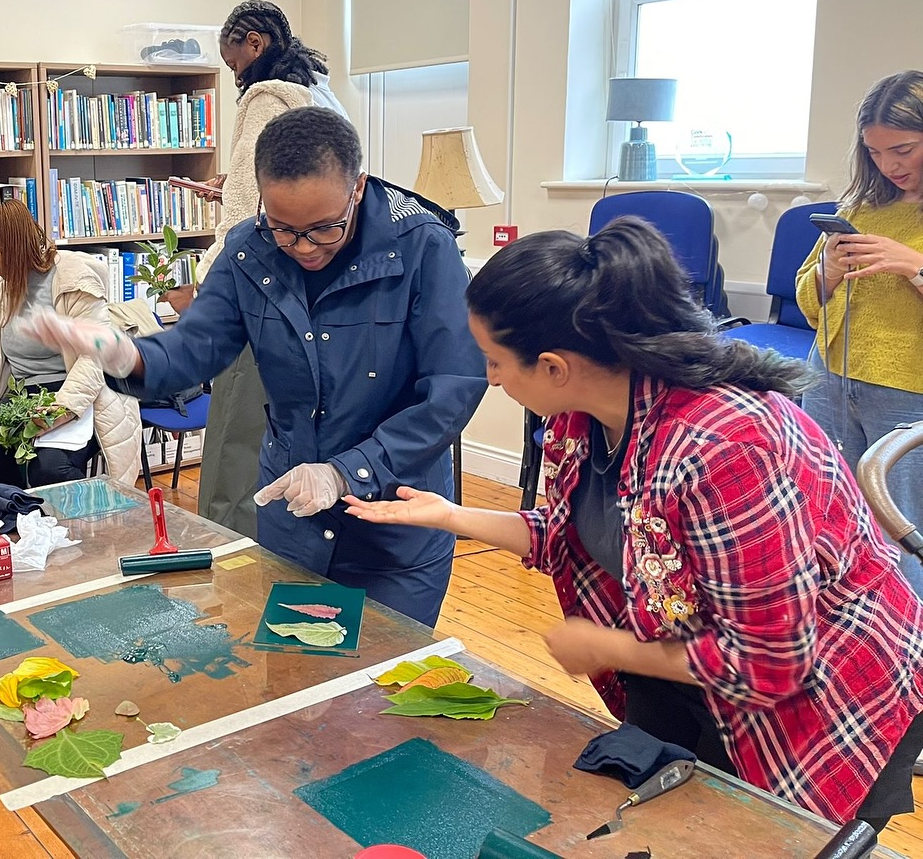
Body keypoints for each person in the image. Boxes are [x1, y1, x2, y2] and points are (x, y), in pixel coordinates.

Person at [344, 216, 923, 829]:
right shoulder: (583, 411)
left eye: (492, 360)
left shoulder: (726, 447)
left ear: (553, 366)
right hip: (688, 666)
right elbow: (572, 533)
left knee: (748, 837)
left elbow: (769, 662)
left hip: (823, 701)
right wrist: (451, 516)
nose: (489, 378)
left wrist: (609, 647)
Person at [24, 106, 486, 627]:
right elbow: (198, 346)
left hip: (396, 516)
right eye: (284, 228)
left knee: (380, 690)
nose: (303, 248)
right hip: (293, 512)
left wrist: (348, 471)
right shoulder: (250, 248)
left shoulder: (424, 245)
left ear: (357, 187)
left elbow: (453, 387)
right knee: (296, 674)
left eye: (323, 229)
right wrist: (129, 356)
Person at [162, 0, 348, 538]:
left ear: (255, 43)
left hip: (259, 288)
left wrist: (207, 289)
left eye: (232, 58)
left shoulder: (267, 100)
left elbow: (247, 209)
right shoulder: (314, 93)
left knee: (233, 433)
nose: (232, 71)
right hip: (310, 291)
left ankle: (226, 549)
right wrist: (229, 183)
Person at [795, 70, 923, 598]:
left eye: (904, 149)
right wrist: (826, 271)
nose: (889, 165)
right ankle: (851, 634)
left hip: (906, 393)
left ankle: (908, 655)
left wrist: (913, 266)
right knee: (827, 514)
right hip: (828, 378)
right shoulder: (861, 206)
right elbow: (809, 301)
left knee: (901, 529)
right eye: (875, 152)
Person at [0, 199, 142, 491]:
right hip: (24, 394)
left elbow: (94, 357)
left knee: (49, 468)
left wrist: (61, 409)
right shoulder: (5, 287)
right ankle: (20, 511)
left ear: (1, 251)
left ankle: (75, 529)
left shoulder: (74, 278)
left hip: (75, 391)